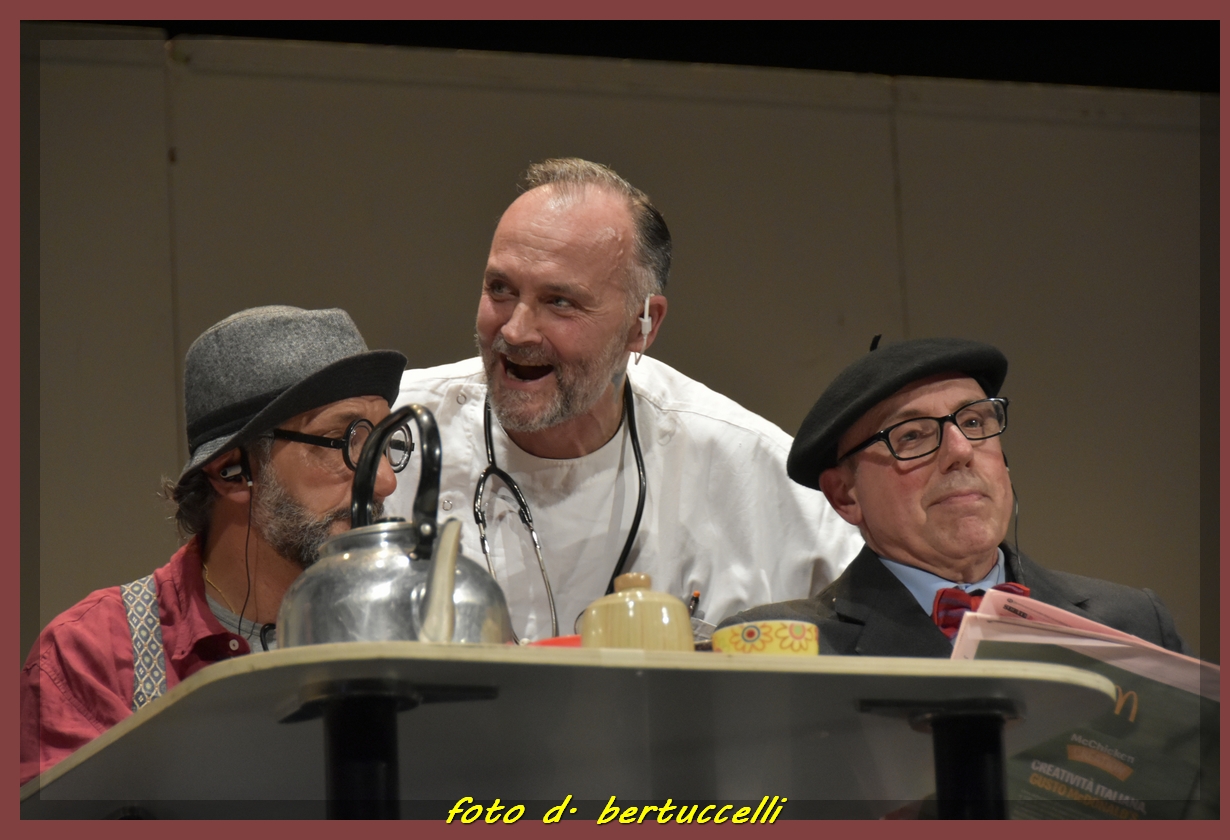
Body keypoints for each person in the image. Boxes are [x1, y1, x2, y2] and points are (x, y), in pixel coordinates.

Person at [389, 158, 863, 641]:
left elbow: (885, 616)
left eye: (560, 302)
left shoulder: (748, 468)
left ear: (644, 324)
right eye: (500, 289)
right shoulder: (389, 425)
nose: (515, 330)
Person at [20, 306, 408, 785]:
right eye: (344, 440)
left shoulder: (415, 628)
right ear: (231, 472)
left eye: (385, 442)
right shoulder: (92, 659)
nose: (385, 481)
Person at [719, 337, 1187, 656]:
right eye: (912, 435)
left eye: (975, 422)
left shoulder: (1133, 623)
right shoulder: (778, 649)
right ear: (845, 495)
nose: (960, 451)